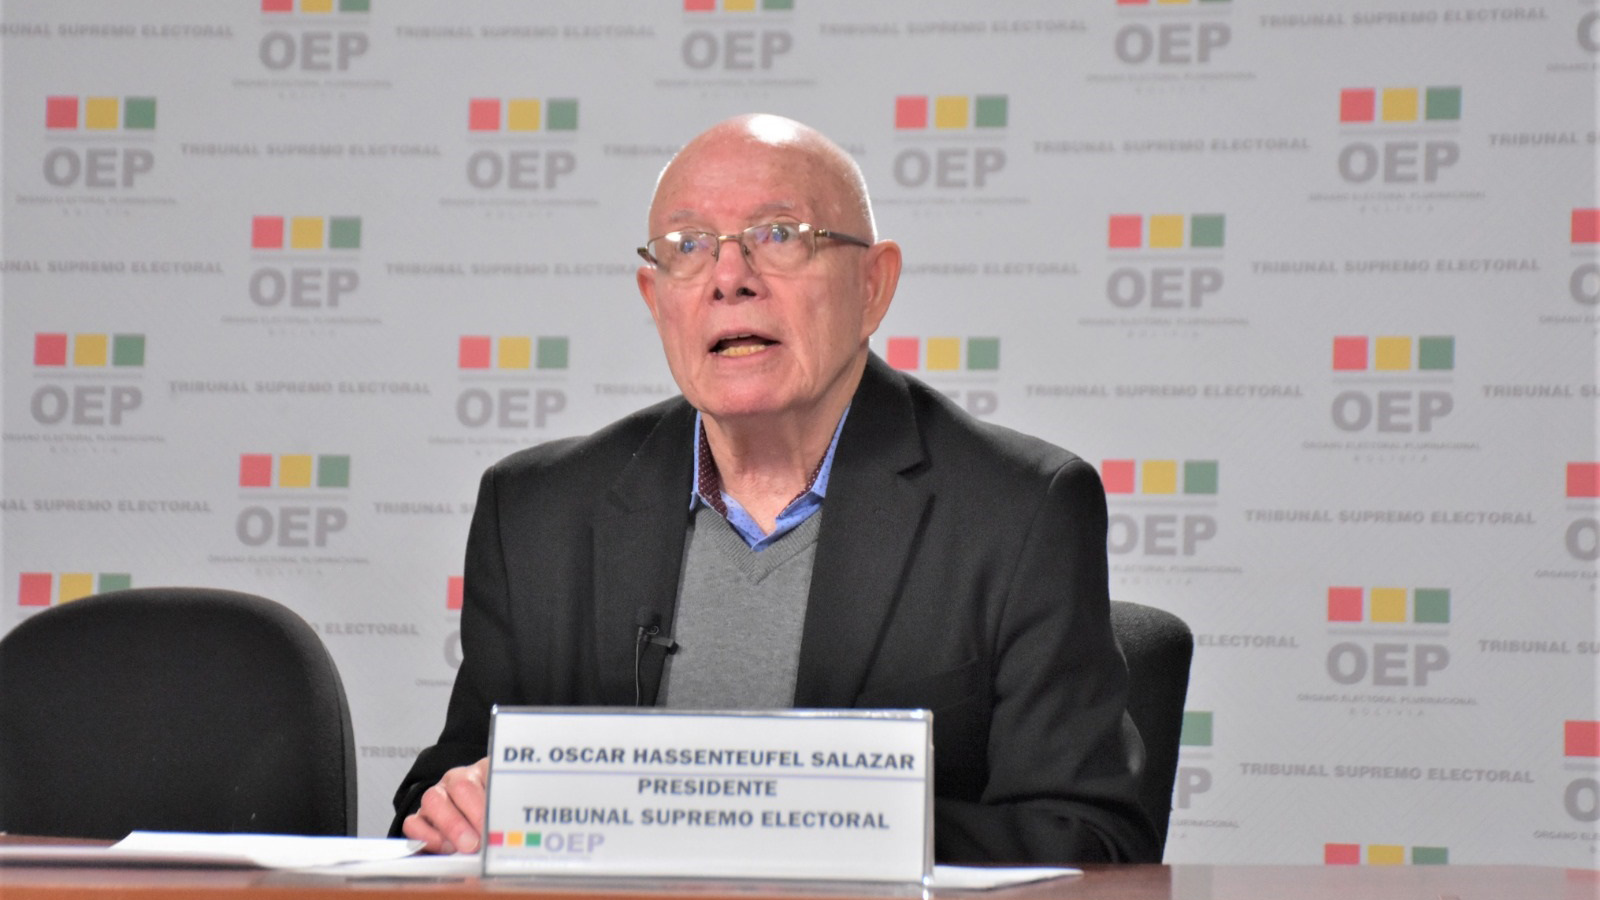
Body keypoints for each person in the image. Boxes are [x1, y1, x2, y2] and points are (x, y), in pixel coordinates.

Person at [392, 113, 1160, 865]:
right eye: (688, 247)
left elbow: (1089, 840)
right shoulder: (537, 513)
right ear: (655, 298)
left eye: (779, 235)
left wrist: (797, 824)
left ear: (873, 285)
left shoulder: (1020, 510)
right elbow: (430, 808)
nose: (730, 279)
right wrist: (452, 811)